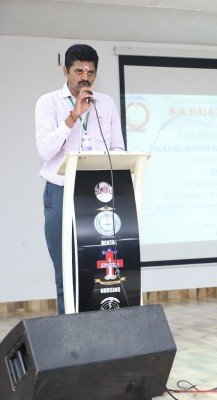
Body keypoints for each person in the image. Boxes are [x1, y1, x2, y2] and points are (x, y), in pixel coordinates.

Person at [36, 44, 125, 314]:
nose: (85, 77)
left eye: (91, 72)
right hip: (60, 191)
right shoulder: (48, 102)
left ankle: (97, 327)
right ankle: (69, 330)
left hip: (97, 195)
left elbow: (117, 147)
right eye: (79, 71)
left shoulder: (106, 103)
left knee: (96, 267)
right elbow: (46, 151)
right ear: (66, 71)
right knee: (65, 269)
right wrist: (74, 116)